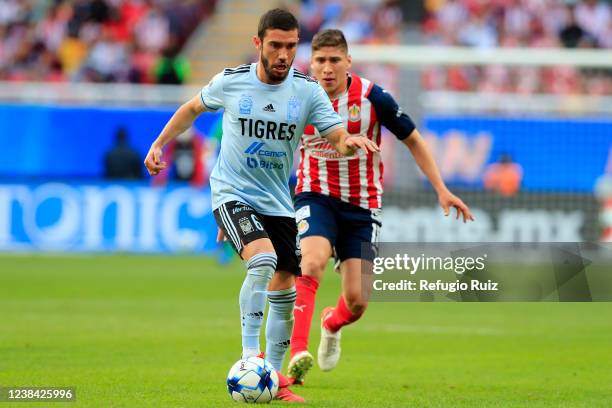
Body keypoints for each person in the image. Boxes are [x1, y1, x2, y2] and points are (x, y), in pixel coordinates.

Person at [143, 10, 378, 403]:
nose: (284, 54)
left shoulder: (306, 91)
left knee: (286, 287)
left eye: (290, 46)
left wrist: (347, 141)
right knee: (263, 261)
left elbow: (334, 132)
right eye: (276, 45)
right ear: (259, 45)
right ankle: (250, 358)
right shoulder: (233, 81)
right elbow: (191, 109)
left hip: (278, 203)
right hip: (232, 193)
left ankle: (272, 378)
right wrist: (159, 143)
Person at [287, 29, 474, 385]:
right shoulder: (296, 98)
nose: (327, 68)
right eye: (320, 61)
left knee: (356, 301)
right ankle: (297, 354)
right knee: (310, 262)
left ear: (348, 62)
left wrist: (441, 189)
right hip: (315, 195)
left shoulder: (372, 97)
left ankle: (331, 323)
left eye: (334, 60)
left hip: (362, 205)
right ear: (311, 64)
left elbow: (413, 139)